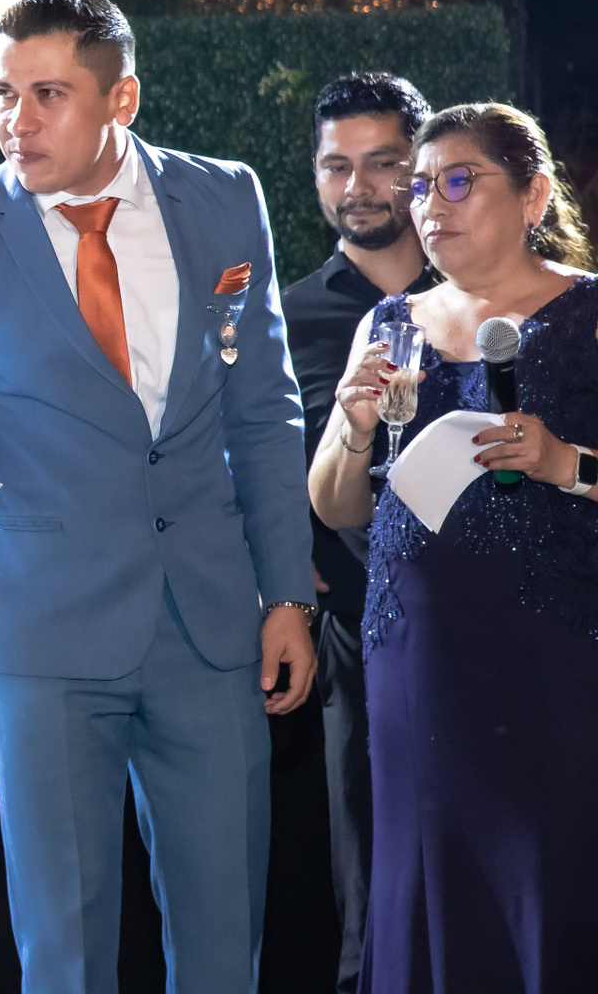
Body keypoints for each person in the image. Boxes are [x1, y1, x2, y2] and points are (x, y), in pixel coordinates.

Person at [0, 0, 317, 992]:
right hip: (43, 627)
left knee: (224, 936)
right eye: (3, 93)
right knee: (64, 950)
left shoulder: (224, 196)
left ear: (122, 98)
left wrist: (286, 594)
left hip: (209, 622)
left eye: (48, 94)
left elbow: (264, 409)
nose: (16, 120)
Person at [308, 103, 598, 994]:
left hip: (552, 649)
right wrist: (356, 428)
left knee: (547, 874)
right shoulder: (389, 322)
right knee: (427, 880)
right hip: (415, 655)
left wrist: (566, 463)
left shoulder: (588, 314)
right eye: (422, 186)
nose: (431, 204)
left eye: (459, 181)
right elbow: (334, 502)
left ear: (534, 196)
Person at [278, 72, 439, 994]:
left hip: (487, 616)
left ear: (423, 168)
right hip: (354, 632)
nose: (358, 187)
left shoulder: (480, 298)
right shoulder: (284, 317)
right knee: (370, 890)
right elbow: (256, 468)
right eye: (336, 166)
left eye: (382, 164)